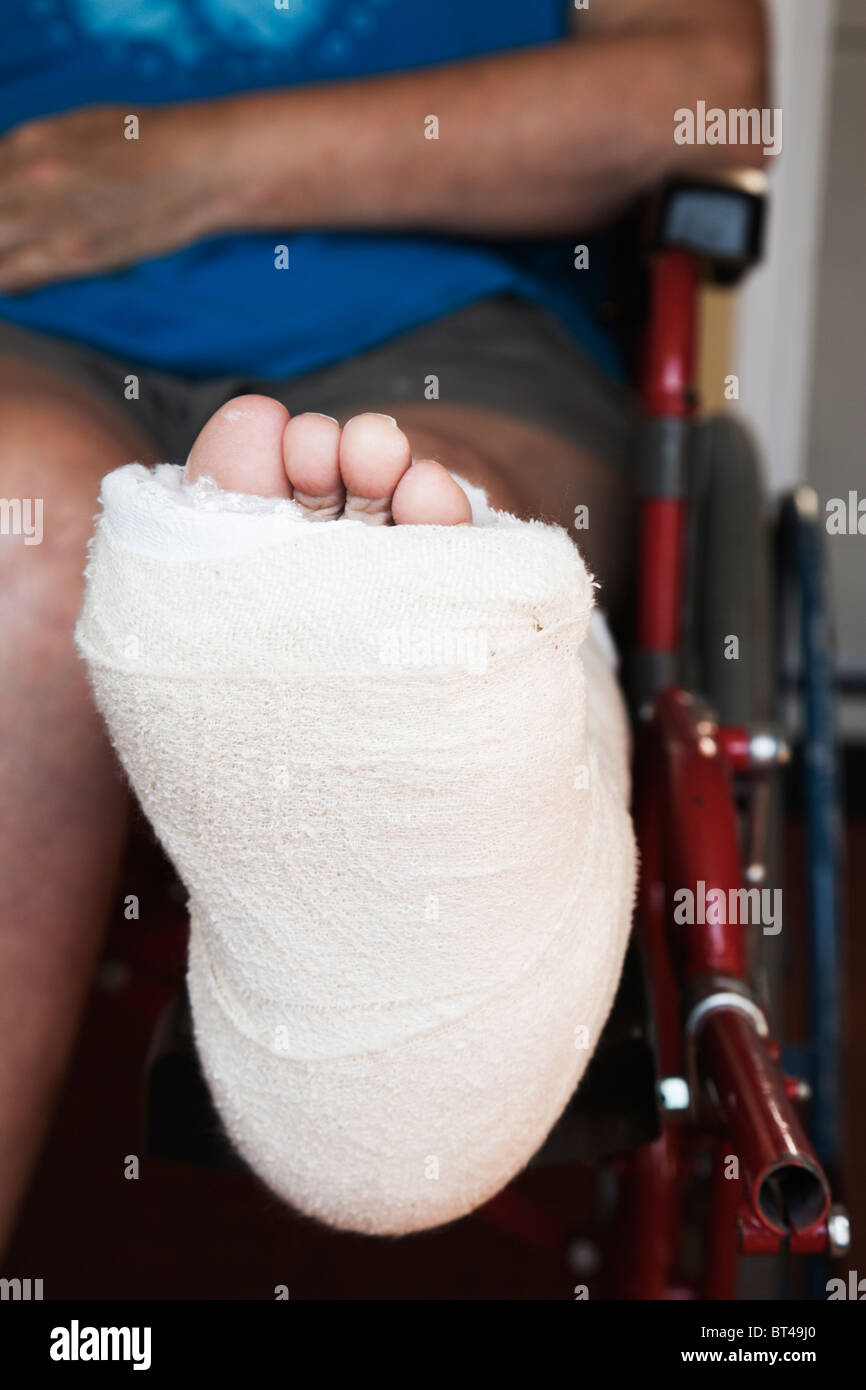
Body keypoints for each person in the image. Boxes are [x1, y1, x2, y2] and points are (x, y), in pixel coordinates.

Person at [0, 0, 767, 1249]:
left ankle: (417, 639)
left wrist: (190, 162)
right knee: (15, 545)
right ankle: (416, 688)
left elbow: (699, 80)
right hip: (28, 311)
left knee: (427, 528)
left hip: (445, 317)